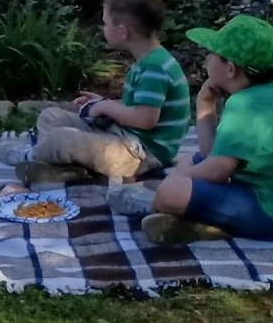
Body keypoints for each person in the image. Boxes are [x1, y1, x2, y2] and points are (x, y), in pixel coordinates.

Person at [116, 15, 273, 246]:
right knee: (194, 160)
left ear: (230, 69)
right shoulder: (262, 96)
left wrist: (171, 183)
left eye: (211, 53)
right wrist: (205, 104)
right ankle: (196, 225)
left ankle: (197, 222)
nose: (207, 58)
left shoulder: (245, 105)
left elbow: (219, 169)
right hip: (258, 190)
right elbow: (212, 155)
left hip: (265, 210)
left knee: (172, 190)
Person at [21, 0, 190, 185]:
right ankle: (63, 165)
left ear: (122, 31)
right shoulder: (149, 61)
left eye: (105, 23)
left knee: (63, 138)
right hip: (121, 138)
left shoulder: (154, 68)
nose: (102, 28)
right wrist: (103, 103)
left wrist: (105, 107)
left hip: (140, 156)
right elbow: (136, 107)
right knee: (50, 116)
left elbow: (146, 119)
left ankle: (28, 156)